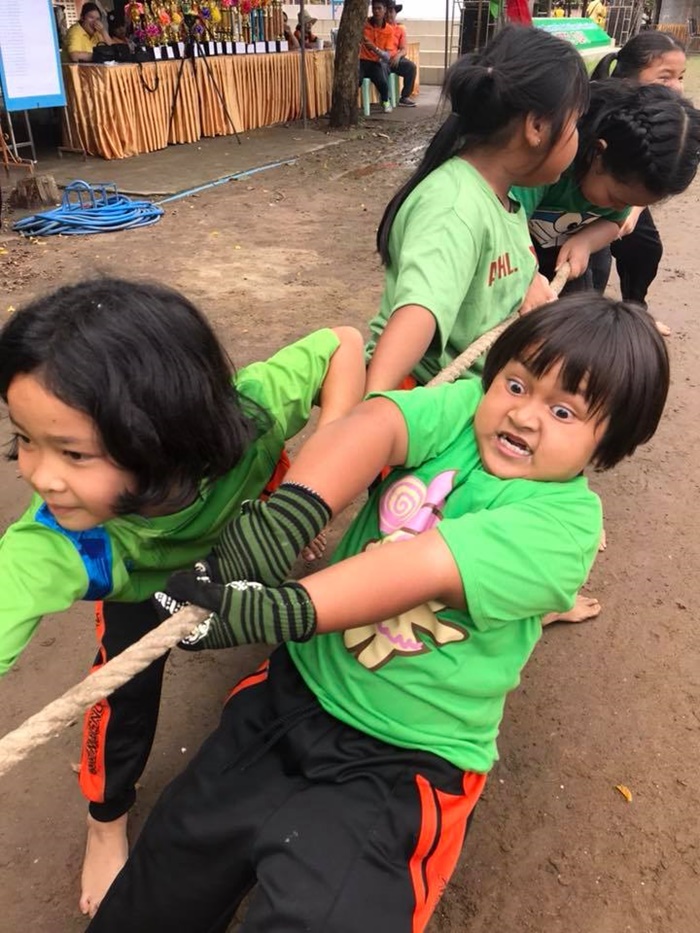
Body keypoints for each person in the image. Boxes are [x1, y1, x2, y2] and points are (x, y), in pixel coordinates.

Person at [87, 295, 670, 933]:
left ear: (607, 445)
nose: (524, 414)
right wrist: (288, 518)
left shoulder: (565, 529)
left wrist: (280, 609)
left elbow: (421, 567)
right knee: (163, 878)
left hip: (408, 759)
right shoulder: (466, 410)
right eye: (516, 383)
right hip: (292, 692)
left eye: (563, 411)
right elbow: (377, 424)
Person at [0, 278, 365, 918]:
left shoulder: (251, 413)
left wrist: (314, 485)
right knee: (122, 686)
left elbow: (343, 344)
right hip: (148, 586)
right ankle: (106, 822)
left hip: (245, 531)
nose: (41, 476)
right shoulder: (65, 541)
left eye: (73, 452)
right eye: (26, 438)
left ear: (164, 431)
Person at [364, 24, 589, 392]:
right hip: (431, 397)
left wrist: (527, 283)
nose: (578, 136)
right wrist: (373, 407)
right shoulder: (453, 206)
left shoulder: (501, 196)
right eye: (575, 122)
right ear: (536, 126)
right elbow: (418, 312)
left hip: (480, 385)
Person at [512, 81, 700, 293]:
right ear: (598, 154)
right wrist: (529, 277)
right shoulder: (552, 166)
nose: (621, 209)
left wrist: (586, 242)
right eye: (616, 199)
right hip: (512, 250)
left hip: (564, 253)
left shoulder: (621, 189)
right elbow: (508, 226)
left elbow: (614, 223)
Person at [588, 32, 687, 307]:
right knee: (594, 264)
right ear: (627, 77)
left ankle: (635, 306)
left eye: (680, 77)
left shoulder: (670, 118)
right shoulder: (599, 110)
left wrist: (633, 208)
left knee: (644, 247)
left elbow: (656, 173)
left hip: (628, 191)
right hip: (599, 188)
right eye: (665, 77)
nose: (676, 87)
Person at [359, 0, 397, 113]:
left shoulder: (389, 30)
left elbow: (387, 57)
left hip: (375, 62)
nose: (376, 11)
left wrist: (374, 48)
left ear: (385, 10)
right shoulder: (364, 24)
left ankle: (385, 101)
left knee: (382, 82)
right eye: (374, 8)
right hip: (360, 60)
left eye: (379, 8)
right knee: (357, 80)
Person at [385, 1, 417, 107]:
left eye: (391, 12)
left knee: (411, 67)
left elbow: (404, 49)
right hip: (382, 60)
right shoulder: (379, 27)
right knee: (380, 68)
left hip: (395, 59)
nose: (388, 15)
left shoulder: (400, 29)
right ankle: (385, 98)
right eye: (386, 12)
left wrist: (398, 56)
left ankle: (405, 97)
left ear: (395, 13)